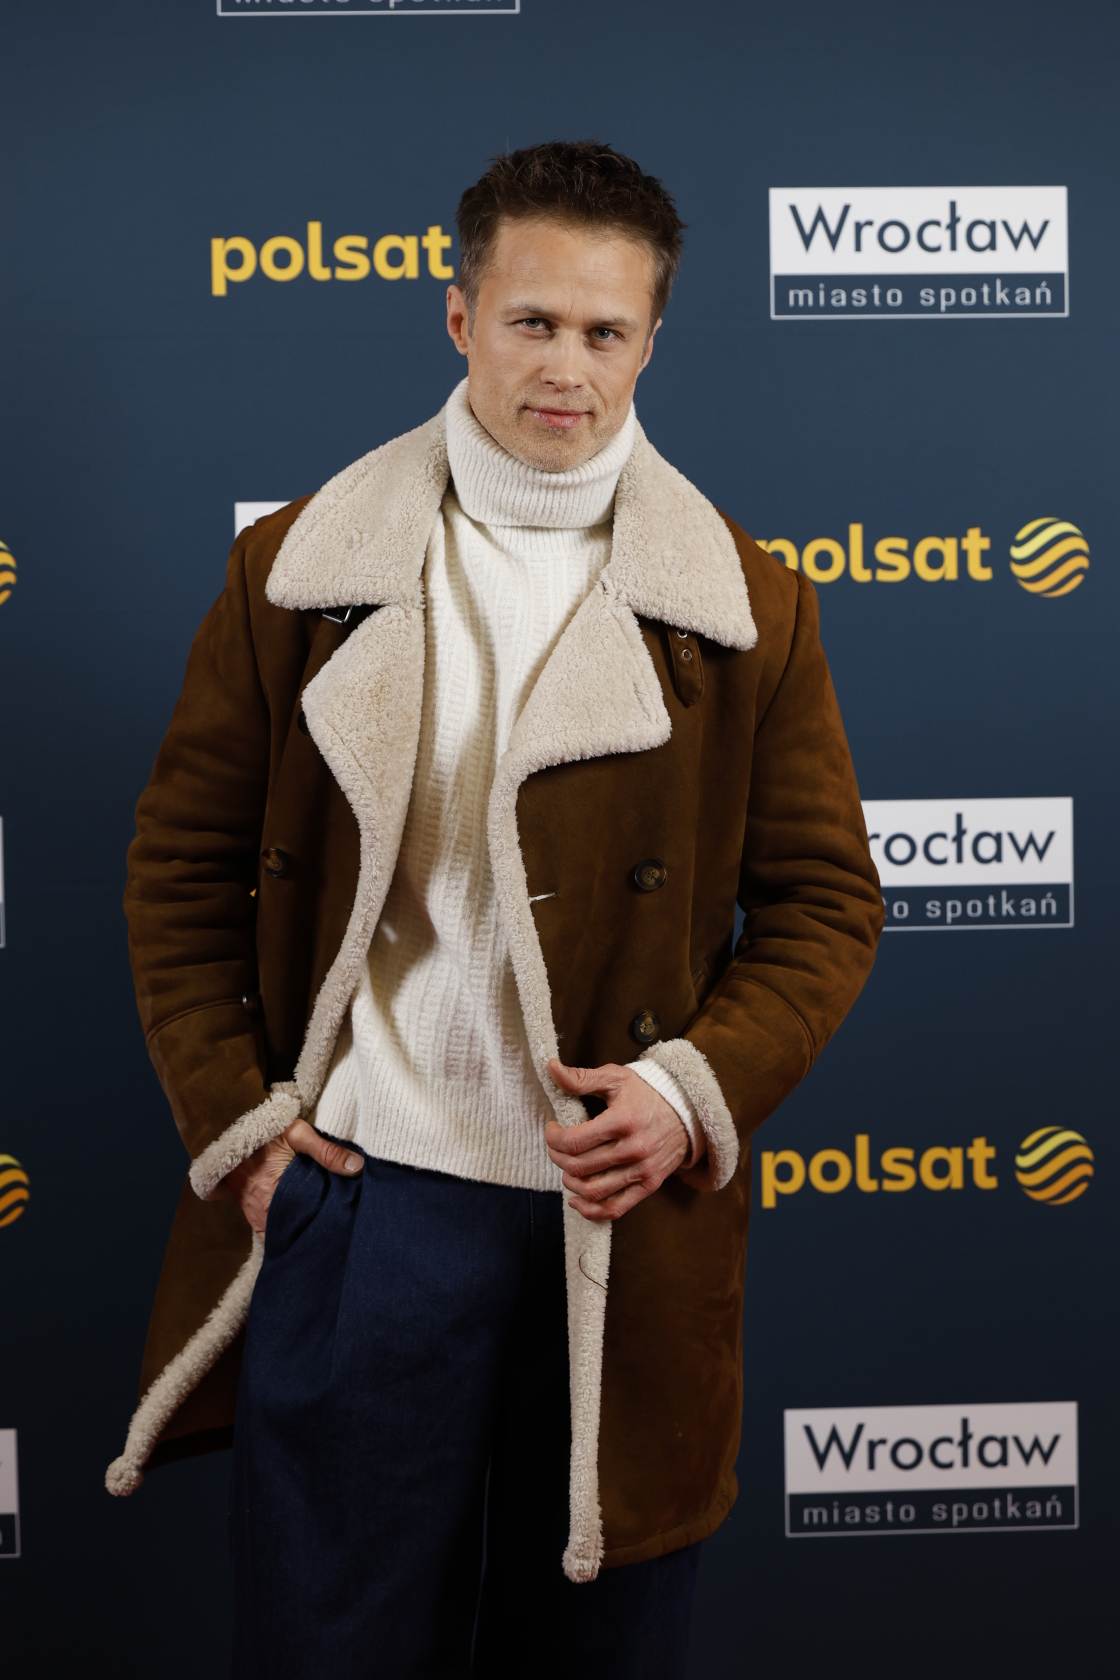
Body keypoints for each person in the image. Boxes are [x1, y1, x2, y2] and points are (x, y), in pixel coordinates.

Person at [107, 140, 882, 1678]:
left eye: (604, 331)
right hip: (362, 1200)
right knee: (326, 1649)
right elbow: (181, 866)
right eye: (532, 321)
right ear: (458, 317)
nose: (566, 368)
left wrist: (689, 1092)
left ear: (652, 342)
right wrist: (244, 1130)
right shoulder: (297, 570)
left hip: (621, 1225)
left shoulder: (749, 606)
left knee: (593, 1656)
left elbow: (824, 905)